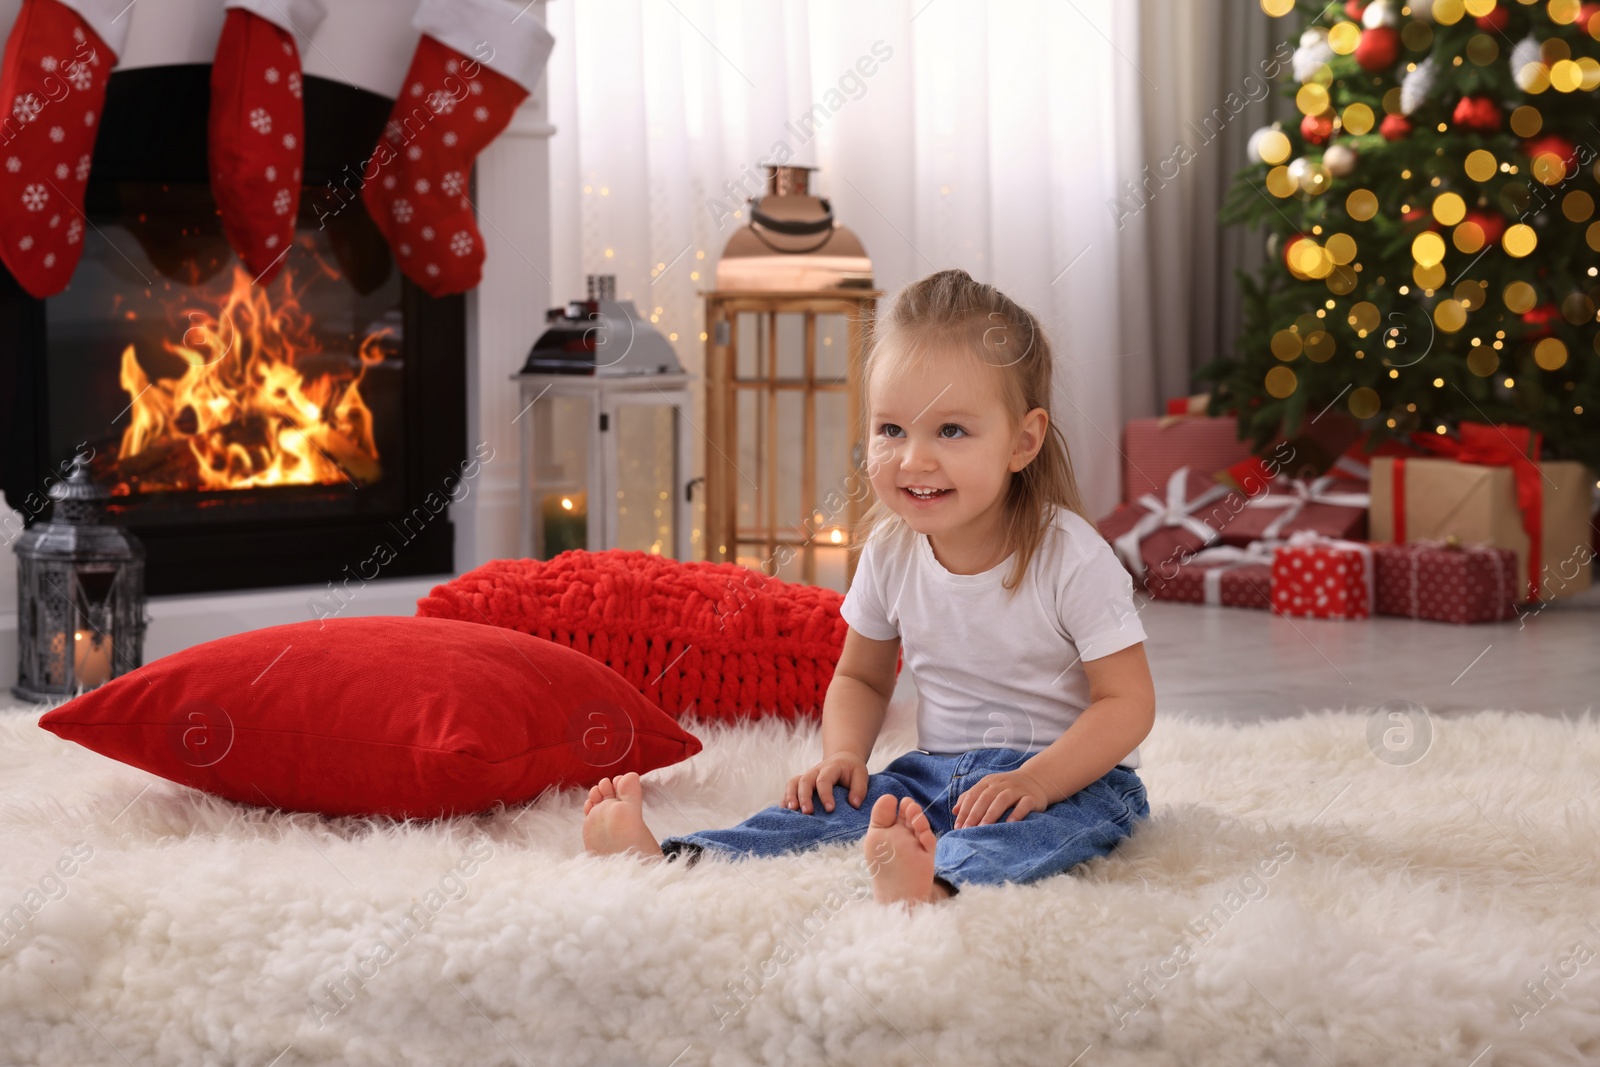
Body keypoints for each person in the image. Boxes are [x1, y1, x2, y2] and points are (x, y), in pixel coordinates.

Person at [582, 268, 1155, 908]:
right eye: (891, 430)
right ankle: (679, 857)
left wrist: (1039, 780)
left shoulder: (1070, 553)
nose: (914, 459)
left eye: (952, 431)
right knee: (823, 809)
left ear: (1023, 440)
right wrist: (844, 756)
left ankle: (936, 884)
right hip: (935, 771)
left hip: (1075, 778)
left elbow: (1126, 703)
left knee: (1032, 834)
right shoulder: (889, 550)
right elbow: (861, 678)